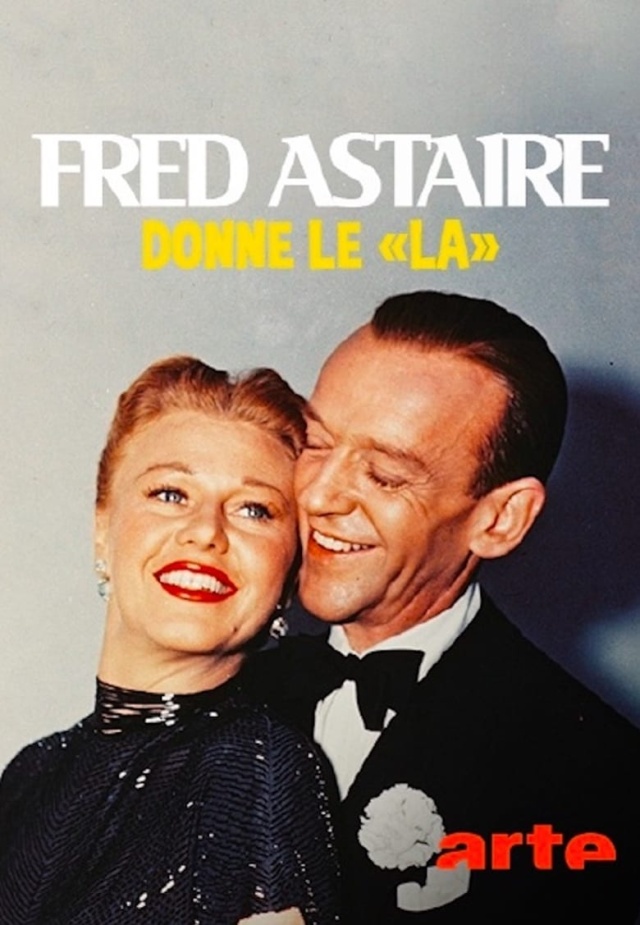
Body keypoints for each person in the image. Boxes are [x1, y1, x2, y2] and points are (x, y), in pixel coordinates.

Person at [245, 291, 640, 923]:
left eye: (385, 475)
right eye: (315, 442)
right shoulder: (220, 687)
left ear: (501, 519)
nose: (318, 496)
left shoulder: (599, 776)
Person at [0, 356, 340, 925]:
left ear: (288, 575)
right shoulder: (31, 774)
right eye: (171, 494)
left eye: (254, 509)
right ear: (102, 528)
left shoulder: (260, 771)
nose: (206, 531)